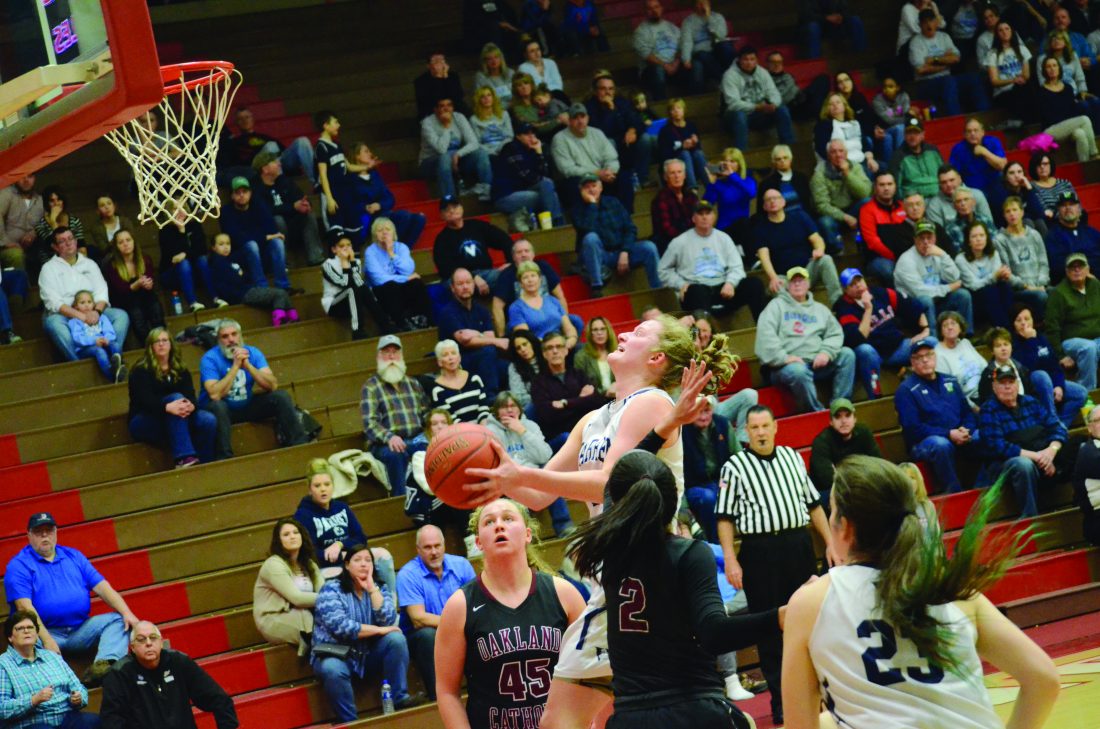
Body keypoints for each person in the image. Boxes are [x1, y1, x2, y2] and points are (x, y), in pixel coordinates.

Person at [463, 315, 737, 729]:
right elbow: (539, 495)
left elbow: (612, 483)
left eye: (638, 334)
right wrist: (495, 480)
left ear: (656, 358)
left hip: (645, 572)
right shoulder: (592, 420)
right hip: (616, 575)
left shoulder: (652, 402)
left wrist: (521, 475)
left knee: (562, 720)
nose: (623, 333)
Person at [781, 456, 1060, 729]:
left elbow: (800, 725)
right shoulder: (953, 589)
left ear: (845, 528)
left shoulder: (811, 602)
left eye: (831, 511)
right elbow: (1043, 678)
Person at [567, 449, 775, 729]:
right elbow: (714, 632)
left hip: (631, 718)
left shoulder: (608, 550)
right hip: (692, 710)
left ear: (616, 502)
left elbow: (615, 484)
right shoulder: (690, 554)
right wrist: (781, 617)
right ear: (674, 499)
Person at [714, 405, 835, 724]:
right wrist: (730, 559)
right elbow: (724, 518)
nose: (761, 432)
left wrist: (831, 542)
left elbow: (814, 505)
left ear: (775, 427)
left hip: (798, 545)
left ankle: (823, 697)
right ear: (746, 432)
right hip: (760, 551)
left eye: (765, 426)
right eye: (754, 427)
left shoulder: (792, 457)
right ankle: (782, 702)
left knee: (812, 620)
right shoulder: (735, 466)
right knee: (770, 629)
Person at [435, 498, 585, 729]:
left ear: (527, 534)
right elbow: (447, 691)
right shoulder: (460, 606)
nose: (499, 525)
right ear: (478, 542)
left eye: (508, 518)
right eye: (489, 522)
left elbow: (593, 671)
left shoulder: (564, 594)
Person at [4, 513, 140, 687]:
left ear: (56, 532)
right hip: (44, 632)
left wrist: (127, 613)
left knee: (118, 620)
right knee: (25, 637)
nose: (45, 535)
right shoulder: (18, 565)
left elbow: (103, 588)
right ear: (29, 535)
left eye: (49, 530)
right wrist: (47, 640)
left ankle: (104, 667)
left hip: (80, 631)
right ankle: (56, 684)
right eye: (38, 532)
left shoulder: (73, 556)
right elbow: (24, 607)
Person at [311, 544, 419, 721]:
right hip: (335, 654)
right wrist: (379, 630)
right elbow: (341, 627)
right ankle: (350, 722)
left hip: (366, 653)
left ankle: (399, 698)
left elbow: (388, 620)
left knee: (396, 639)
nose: (364, 564)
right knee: (332, 669)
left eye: (368, 560)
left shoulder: (379, 588)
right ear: (347, 565)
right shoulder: (331, 589)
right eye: (357, 560)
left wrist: (372, 589)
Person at [198, 319, 308, 459]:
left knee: (280, 396)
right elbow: (215, 395)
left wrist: (248, 366)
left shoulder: (253, 352)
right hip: (221, 410)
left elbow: (272, 385)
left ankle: (300, 444)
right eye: (225, 336)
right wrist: (235, 367)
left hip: (246, 404)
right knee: (218, 406)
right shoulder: (210, 358)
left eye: (234, 334)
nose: (231, 340)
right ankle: (224, 457)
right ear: (219, 340)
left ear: (240, 336)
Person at [99, 620, 239, 729]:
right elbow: (111, 720)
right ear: (132, 648)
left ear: (161, 643)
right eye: (141, 639)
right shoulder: (119, 673)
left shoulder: (179, 662)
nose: (148, 643)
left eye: (153, 638)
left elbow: (219, 699)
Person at [980, 365, 1078, 517]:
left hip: (1043, 455)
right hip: (1007, 463)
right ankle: (1030, 517)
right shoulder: (988, 409)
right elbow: (998, 446)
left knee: (1081, 445)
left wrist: (1051, 452)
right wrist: (1038, 457)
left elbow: (1057, 428)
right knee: (1023, 464)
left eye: (1011, 382)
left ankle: (1079, 502)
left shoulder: (1031, 402)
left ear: (1017, 384)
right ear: (994, 387)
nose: (1007, 387)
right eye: (1002, 383)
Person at [756, 268, 855, 414]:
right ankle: (816, 413)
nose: (797, 284)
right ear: (787, 285)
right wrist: (784, 358)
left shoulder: (820, 309)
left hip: (816, 362)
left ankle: (840, 407)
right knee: (798, 371)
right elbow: (765, 336)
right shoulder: (775, 306)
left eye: (801, 280)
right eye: (793, 281)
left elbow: (835, 334)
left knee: (847, 355)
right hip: (785, 367)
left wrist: (826, 352)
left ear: (808, 284)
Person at [395, 525, 476, 702]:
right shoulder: (407, 575)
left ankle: (483, 690)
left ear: (444, 545)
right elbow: (418, 618)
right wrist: (456, 625)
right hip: (422, 637)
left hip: (458, 629)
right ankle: (438, 698)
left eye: (437, 546)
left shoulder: (462, 565)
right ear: (418, 550)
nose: (434, 552)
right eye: (427, 547)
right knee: (427, 635)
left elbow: (476, 604)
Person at [894, 338, 980, 494]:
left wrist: (966, 429)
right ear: (912, 363)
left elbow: (967, 412)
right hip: (924, 443)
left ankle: (982, 486)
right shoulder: (906, 390)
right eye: (919, 357)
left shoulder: (950, 380)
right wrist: (948, 434)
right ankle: (954, 493)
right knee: (941, 445)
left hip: (957, 433)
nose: (925, 360)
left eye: (928, 355)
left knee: (981, 436)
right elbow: (913, 428)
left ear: (935, 357)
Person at [834, 267, 930, 399]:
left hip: (898, 348)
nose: (858, 286)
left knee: (930, 343)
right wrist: (868, 309)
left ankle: (925, 383)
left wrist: (925, 329)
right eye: (853, 284)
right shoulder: (844, 307)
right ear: (846, 290)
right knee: (865, 350)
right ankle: (876, 398)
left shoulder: (880, 292)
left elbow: (912, 305)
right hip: (873, 355)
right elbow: (858, 338)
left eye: (859, 281)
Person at [659, 199, 765, 320]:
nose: (704, 217)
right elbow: (663, 270)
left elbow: (737, 267)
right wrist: (681, 284)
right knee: (695, 291)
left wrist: (730, 283)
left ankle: (762, 326)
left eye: (708, 213)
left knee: (754, 284)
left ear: (714, 217)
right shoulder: (679, 242)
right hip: (696, 290)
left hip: (724, 290)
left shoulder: (724, 238)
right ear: (693, 218)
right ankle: (704, 329)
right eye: (700, 214)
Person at [39, 227, 130, 365]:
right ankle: (81, 363)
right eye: (62, 241)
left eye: (70, 239)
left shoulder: (89, 264)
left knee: (121, 316)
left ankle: (113, 354)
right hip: (64, 315)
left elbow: (101, 292)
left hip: (92, 311)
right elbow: (54, 302)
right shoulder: (48, 268)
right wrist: (81, 316)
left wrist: (97, 312)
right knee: (53, 323)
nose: (68, 243)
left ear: (76, 241)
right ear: (55, 247)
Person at [127, 327, 216, 468]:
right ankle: (183, 458)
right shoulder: (140, 370)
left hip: (177, 419)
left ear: (171, 344)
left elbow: (191, 395)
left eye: (164, 340)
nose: (161, 344)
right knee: (175, 397)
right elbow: (144, 401)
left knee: (207, 419)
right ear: (151, 346)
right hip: (145, 420)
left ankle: (205, 464)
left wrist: (191, 405)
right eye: (157, 341)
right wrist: (167, 407)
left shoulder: (180, 369)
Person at [0, 609, 98, 729]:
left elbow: (79, 687)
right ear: (10, 637)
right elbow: (2, 709)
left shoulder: (52, 656)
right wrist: (33, 700)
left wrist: (78, 698)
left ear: (37, 634)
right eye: (20, 628)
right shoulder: (3, 664)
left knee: (94, 721)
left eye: (30, 627)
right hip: (32, 722)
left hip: (66, 717)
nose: (26, 631)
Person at [360, 334, 428, 494]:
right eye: (386, 352)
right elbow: (370, 424)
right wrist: (390, 437)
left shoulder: (413, 384)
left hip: (416, 438)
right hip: (385, 444)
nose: (391, 356)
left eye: (395, 352)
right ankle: (401, 499)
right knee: (396, 455)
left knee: (433, 449)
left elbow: (426, 413)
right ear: (378, 356)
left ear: (401, 356)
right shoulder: (371, 387)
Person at [573, 175, 661, 296]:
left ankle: (658, 289)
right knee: (590, 238)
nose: (591, 190)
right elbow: (586, 230)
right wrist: (592, 205)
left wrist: (625, 251)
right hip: (600, 256)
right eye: (587, 187)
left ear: (601, 187)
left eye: (594, 186)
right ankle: (597, 287)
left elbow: (630, 229)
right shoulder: (577, 209)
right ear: (581, 191)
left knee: (649, 247)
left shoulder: (613, 202)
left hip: (621, 250)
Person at [754, 188, 843, 304]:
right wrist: (773, 277)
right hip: (785, 278)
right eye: (768, 199)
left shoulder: (800, 217)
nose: (772, 201)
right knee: (777, 286)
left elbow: (817, 239)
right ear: (764, 206)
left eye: (775, 198)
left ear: (783, 202)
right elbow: (764, 257)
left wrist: (819, 250)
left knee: (826, 259)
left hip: (807, 271)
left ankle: (838, 304)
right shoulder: (761, 229)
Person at [252, 518, 323, 654]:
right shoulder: (273, 564)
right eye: (286, 534)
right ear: (278, 541)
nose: (292, 536)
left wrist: (331, 599)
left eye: (296, 532)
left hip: (303, 613)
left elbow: (323, 591)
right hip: (273, 618)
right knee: (315, 625)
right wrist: (332, 598)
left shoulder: (309, 564)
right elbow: (297, 598)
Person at [1012, 304, 1089, 428]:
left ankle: (1059, 426)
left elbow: (1055, 366)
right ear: (1013, 324)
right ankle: (1051, 420)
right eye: (1019, 320)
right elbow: (1027, 369)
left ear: (1032, 320)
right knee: (1040, 375)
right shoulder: (1013, 344)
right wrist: (1031, 341)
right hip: (1030, 386)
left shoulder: (1041, 338)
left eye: (1027, 319)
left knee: (1081, 393)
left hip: (1050, 383)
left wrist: (1058, 385)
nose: (1024, 323)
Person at [585, 70, 654, 206]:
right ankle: (614, 182)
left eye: (611, 89)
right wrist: (611, 110)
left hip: (626, 142)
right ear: (596, 91)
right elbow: (602, 132)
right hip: (606, 145)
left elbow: (637, 120)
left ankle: (643, 179)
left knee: (646, 139)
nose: (607, 92)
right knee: (610, 143)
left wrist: (633, 130)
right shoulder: (590, 107)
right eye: (603, 89)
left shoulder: (622, 102)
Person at [292, 458, 373, 574]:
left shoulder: (342, 507)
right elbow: (309, 553)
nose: (323, 489)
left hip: (351, 557)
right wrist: (341, 556)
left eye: (327, 484)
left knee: (382, 555)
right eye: (317, 486)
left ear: (333, 486)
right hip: (325, 566)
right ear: (310, 489)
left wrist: (340, 544)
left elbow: (361, 538)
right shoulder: (302, 516)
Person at [438, 268, 508, 395]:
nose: (465, 287)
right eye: (460, 284)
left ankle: (509, 398)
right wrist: (489, 339)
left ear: (474, 285)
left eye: (468, 282)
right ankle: (490, 397)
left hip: (484, 357)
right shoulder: (448, 312)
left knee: (506, 364)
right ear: (453, 288)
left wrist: (475, 334)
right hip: (459, 360)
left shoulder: (481, 310)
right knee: (488, 352)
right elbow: (465, 340)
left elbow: (490, 337)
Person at [343, 143, 427, 247]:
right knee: (403, 216)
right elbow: (350, 204)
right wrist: (366, 207)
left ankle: (401, 250)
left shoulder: (374, 175)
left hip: (384, 212)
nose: (370, 154)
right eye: (366, 151)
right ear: (357, 156)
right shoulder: (351, 180)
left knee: (419, 219)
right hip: (368, 218)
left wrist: (380, 205)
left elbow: (390, 198)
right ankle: (394, 251)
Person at [909, 8, 989, 117]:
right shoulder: (916, 42)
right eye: (924, 22)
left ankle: (985, 115)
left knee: (974, 78)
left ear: (936, 22)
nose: (928, 25)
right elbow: (921, 69)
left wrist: (934, 60)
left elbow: (956, 58)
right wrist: (945, 64)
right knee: (949, 82)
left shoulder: (944, 37)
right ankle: (956, 119)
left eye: (931, 21)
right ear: (920, 25)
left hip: (946, 78)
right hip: (926, 83)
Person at [894, 221, 974, 330]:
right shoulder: (906, 261)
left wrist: (944, 255)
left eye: (929, 237)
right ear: (915, 240)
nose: (926, 242)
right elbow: (920, 292)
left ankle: (965, 334)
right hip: (914, 309)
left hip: (936, 301)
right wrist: (948, 288)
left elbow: (954, 277)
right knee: (925, 300)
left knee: (963, 295)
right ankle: (933, 337)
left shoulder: (936, 253)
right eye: (922, 238)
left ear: (935, 238)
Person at [490, 238, 577, 337]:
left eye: (527, 251)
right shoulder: (506, 275)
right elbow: (497, 307)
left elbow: (560, 296)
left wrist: (565, 323)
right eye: (519, 252)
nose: (523, 254)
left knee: (576, 321)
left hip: (548, 312)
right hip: (522, 319)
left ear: (533, 254)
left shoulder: (544, 266)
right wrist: (502, 337)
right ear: (513, 257)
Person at [219, 176, 292, 293]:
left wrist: (262, 236)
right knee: (251, 245)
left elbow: (272, 229)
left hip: (262, 253)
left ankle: (283, 285)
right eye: (237, 193)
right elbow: (237, 238)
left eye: (244, 191)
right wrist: (264, 237)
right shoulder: (226, 212)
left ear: (250, 193)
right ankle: (262, 288)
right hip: (241, 256)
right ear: (232, 196)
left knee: (277, 242)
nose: (241, 195)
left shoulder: (259, 205)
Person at [251, 151, 324, 266]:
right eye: (274, 162)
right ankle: (283, 260)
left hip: (292, 225)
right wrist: (293, 207)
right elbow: (266, 211)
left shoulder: (284, 181)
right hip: (271, 231)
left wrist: (305, 205)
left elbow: (301, 198)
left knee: (309, 215)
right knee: (278, 219)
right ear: (265, 169)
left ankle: (315, 256)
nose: (279, 164)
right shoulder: (256, 188)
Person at [681, 395, 738, 543]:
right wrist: (683, 509)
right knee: (709, 497)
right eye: (698, 411)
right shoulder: (680, 432)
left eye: (706, 411)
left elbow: (738, 459)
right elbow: (676, 475)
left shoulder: (723, 424)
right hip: (694, 486)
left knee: (727, 490)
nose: (703, 416)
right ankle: (715, 544)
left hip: (721, 481)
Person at [551, 103, 627, 210]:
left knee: (624, 178)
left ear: (587, 118)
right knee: (573, 184)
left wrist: (610, 171)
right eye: (575, 118)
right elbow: (567, 170)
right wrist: (596, 173)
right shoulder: (559, 139)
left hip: (603, 175)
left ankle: (625, 214)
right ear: (570, 121)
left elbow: (611, 158)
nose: (580, 121)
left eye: (582, 117)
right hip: (580, 179)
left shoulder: (597, 133)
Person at [359, 221, 431, 333]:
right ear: (375, 235)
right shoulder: (371, 252)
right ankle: (401, 324)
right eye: (380, 230)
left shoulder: (401, 247)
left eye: (388, 229)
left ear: (394, 233)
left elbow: (408, 270)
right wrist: (404, 279)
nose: (384, 233)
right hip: (383, 291)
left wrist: (391, 253)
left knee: (417, 283)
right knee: (390, 286)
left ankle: (422, 320)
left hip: (401, 289)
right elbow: (379, 279)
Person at [323, 230, 396, 339]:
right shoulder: (328, 265)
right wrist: (344, 262)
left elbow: (359, 283)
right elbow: (345, 284)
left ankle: (385, 325)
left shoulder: (356, 262)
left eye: (348, 245)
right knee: (351, 290)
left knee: (363, 288)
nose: (346, 248)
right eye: (341, 246)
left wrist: (352, 261)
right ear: (334, 249)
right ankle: (357, 330)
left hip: (354, 300)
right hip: (334, 304)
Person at [720, 46, 793, 154]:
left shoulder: (762, 72)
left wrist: (773, 104)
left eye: (752, 59)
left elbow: (774, 92)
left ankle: (789, 149)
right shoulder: (729, 76)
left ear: (757, 60)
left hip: (758, 114)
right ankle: (742, 154)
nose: (749, 63)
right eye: (745, 59)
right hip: (735, 117)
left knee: (782, 109)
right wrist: (756, 107)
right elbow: (733, 104)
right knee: (739, 116)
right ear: (739, 60)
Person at [491, 122, 564, 227]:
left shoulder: (532, 149)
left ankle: (555, 226)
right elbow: (526, 176)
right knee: (548, 193)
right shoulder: (511, 148)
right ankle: (556, 225)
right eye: (527, 134)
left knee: (548, 189)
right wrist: (542, 177)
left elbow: (545, 174)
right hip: (505, 196)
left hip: (523, 190)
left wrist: (539, 152)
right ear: (518, 136)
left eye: (533, 133)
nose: (531, 137)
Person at [419, 98, 492, 202]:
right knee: (444, 158)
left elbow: (474, 143)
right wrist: (446, 126)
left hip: (455, 159)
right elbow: (441, 149)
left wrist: (458, 154)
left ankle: (486, 191)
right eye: (442, 106)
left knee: (481, 153)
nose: (446, 109)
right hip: (430, 163)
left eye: (449, 105)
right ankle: (450, 200)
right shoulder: (427, 123)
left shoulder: (459, 117)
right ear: (435, 109)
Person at [809, 398, 882, 501]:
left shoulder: (864, 433)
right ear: (831, 422)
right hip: (830, 493)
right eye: (838, 417)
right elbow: (827, 481)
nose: (843, 421)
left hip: (862, 487)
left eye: (847, 416)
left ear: (855, 419)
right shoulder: (821, 442)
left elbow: (879, 465)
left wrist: (840, 474)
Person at [100, 229, 164, 344]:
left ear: (134, 241)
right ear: (116, 247)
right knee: (136, 313)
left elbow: (150, 279)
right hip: (124, 300)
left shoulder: (145, 259)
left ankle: (162, 340)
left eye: (128, 240)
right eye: (121, 242)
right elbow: (119, 291)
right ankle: (148, 345)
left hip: (145, 295)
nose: (125, 244)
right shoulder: (112, 265)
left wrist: (149, 284)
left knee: (155, 307)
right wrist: (135, 285)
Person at [1047, 253, 1100, 390]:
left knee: (1093, 346)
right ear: (1066, 272)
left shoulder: (1095, 285)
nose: (1077, 270)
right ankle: (1087, 391)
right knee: (1089, 348)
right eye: (1072, 267)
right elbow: (1052, 328)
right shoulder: (1058, 293)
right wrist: (1060, 355)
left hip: (1097, 339)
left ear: (1088, 269)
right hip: (1071, 342)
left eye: (1080, 266)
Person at [433, 197, 514, 286]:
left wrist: (510, 262)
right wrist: (472, 277)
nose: (452, 211)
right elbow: (445, 269)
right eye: (447, 209)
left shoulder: (477, 225)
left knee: (511, 273)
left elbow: (505, 240)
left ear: (461, 208)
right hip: (461, 279)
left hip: (487, 273)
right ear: (442, 215)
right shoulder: (442, 239)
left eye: (455, 207)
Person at [811, 138, 873, 255]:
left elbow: (865, 192)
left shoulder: (855, 167)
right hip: (833, 214)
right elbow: (821, 206)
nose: (838, 155)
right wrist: (845, 217)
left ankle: (865, 243)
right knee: (825, 222)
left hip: (853, 208)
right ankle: (837, 251)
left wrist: (847, 174)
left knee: (868, 202)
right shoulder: (819, 175)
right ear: (828, 155)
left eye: (841, 151)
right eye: (833, 152)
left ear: (846, 153)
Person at [1038, 56, 1100, 163]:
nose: (1052, 69)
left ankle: (1084, 165)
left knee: (1080, 134)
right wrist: (1069, 123)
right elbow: (1047, 117)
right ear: (1044, 70)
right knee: (1084, 119)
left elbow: (1072, 112)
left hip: (1069, 126)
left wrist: (1070, 124)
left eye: (1054, 65)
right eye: (1048, 66)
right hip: (1051, 130)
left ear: (1059, 68)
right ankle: (1094, 154)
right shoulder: (1041, 92)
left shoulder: (1068, 88)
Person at [994, 197, 1050, 315]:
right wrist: (1027, 287)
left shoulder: (1034, 235)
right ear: (1004, 216)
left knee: (1059, 293)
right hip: (1019, 290)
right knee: (1041, 296)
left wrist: (1041, 283)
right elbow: (1006, 273)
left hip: (1039, 285)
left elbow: (1043, 263)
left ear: (1022, 212)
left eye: (1015, 210)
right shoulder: (1000, 240)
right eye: (1008, 211)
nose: (1012, 214)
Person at [956, 220, 1014, 328]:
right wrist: (994, 276)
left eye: (982, 235)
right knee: (989, 291)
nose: (978, 239)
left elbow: (997, 277)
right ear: (968, 241)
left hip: (993, 294)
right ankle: (1004, 327)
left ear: (987, 238)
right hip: (975, 299)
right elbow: (973, 285)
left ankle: (1010, 324)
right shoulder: (961, 259)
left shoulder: (994, 254)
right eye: (974, 236)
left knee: (1005, 286)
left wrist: (1004, 275)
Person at [507, 261, 578, 342]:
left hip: (561, 344)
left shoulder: (553, 300)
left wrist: (571, 340)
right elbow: (525, 338)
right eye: (525, 277)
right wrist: (551, 344)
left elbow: (569, 328)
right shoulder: (516, 307)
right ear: (520, 284)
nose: (530, 280)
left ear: (540, 279)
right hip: (539, 345)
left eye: (533, 276)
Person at [159, 201, 211, 311]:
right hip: (172, 273)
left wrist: (186, 254)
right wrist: (181, 231)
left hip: (194, 268)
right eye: (175, 208)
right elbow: (173, 258)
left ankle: (216, 298)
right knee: (184, 263)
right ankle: (192, 303)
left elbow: (202, 249)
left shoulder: (195, 225)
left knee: (202, 260)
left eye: (183, 207)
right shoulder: (164, 231)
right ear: (169, 212)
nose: (180, 210)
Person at [858, 171, 908, 283]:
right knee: (887, 269)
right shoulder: (866, 210)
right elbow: (873, 242)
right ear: (875, 188)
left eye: (890, 184)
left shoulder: (903, 206)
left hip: (905, 256)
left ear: (895, 186)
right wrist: (896, 257)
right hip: (878, 259)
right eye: (882, 185)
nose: (886, 188)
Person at [702, 146, 756, 249]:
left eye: (732, 161)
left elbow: (751, 193)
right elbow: (706, 204)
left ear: (739, 164)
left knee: (747, 222)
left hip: (742, 226)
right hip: (724, 228)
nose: (728, 164)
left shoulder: (747, 181)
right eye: (725, 161)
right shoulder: (719, 184)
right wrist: (712, 183)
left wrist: (732, 175)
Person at [426, 338, 492, 423]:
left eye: (453, 353)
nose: (450, 358)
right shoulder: (436, 390)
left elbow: (484, 408)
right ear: (440, 362)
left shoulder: (475, 379)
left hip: (483, 425)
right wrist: (472, 429)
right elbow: (449, 419)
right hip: (458, 429)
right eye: (445, 355)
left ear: (459, 357)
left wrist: (482, 425)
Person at [813, 93, 877, 178]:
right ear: (827, 109)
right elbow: (821, 148)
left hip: (861, 159)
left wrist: (870, 159)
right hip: (842, 164)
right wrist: (840, 163)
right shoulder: (824, 125)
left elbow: (865, 144)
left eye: (838, 102)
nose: (835, 105)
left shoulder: (854, 123)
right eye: (831, 104)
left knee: (882, 167)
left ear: (844, 105)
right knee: (866, 173)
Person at [67, 290, 125, 383]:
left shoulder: (102, 318)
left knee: (116, 345)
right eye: (82, 302)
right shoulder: (74, 321)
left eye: (89, 302)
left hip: (103, 343)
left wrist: (107, 339)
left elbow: (110, 331)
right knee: (100, 351)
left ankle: (118, 366)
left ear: (94, 304)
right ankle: (113, 377)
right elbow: (78, 339)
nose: (86, 305)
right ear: (76, 306)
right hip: (85, 349)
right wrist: (94, 341)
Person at [934, 310, 988, 408]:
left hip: (985, 393)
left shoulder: (965, 343)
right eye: (945, 325)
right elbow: (950, 390)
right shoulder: (938, 354)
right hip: (966, 403)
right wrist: (973, 406)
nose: (950, 327)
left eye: (953, 323)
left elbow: (985, 367)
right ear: (940, 331)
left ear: (960, 327)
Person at [985, 22, 1034, 128]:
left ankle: (1020, 122)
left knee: (1026, 88)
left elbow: (1026, 75)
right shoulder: (992, 54)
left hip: (1021, 87)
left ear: (1012, 31)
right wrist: (1013, 80)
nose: (1004, 32)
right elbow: (994, 81)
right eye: (1000, 30)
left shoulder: (1022, 49)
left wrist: (1018, 81)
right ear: (997, 34)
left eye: (1007, 29)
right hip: (1003, 92)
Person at [633, 0, 682, 101]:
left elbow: (682, 46)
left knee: (695, 64)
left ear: (661, 8)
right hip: (652, 71)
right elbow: (646, 55)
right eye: (650, 8)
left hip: (674, 67)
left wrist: (676, 63)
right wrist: (666, 66)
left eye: (656, 7)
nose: (654, 11)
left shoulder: (671, 27)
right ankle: (661, 103)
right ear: (645, 11)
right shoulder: (641, 31)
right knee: (658, 70)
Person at [33, 187, 87, 277]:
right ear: (46, 203)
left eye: (59, 199)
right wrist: (53, 222)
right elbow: (55, 248)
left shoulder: (74, 220)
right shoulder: (41, 224)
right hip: (52, 263)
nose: (56, 203)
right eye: (52, 201)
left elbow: (81, 247)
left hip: (75, 261)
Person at [1046, 190, 1100, 280]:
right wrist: (1085, 274)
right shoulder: (1053, 237)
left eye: (1071, 204)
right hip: (1073, 282)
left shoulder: (1092, 232)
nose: (1068, 208)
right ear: (1058, 211)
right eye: (1063, 205)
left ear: (1079, 209)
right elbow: (1057, 266)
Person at [888, 115, 944, 198]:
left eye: (916, 133)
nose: (912, 136)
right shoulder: (898, 156)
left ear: (923, 135)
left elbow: (945, 174)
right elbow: (896, 186)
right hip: (914, 200)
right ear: (904, 135)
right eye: (909, 133)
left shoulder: (933, 151)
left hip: (940, 197)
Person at [650, 158, 699, 254]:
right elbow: (667, 230)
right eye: (672, 173)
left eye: (679, 172)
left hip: (693, 240)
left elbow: (698, 220)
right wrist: (689, 240)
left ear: (684, 175)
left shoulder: (691, 196)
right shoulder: (660, 199)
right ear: (665, 177)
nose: (677, 176)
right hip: (670, 244)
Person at [949, 118, 1008, 196]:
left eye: (976, 130)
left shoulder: (993, 142)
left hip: (995, 187)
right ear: (964, 134)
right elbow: (954, 174)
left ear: (982, 132)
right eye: (969, 131)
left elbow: (1002, 166)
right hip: (971, 192)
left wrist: (985, 152)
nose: (972, 134)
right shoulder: (958, 149)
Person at [925, 164, 993, 230]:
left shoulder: (977, 195)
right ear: (939, 184)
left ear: (960, 179)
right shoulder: (934, 205)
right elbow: (938, 234)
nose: (948, 184)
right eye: (944, 182)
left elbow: (990, 224)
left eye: (952, 180)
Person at [757, 144, 814, 217]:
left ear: (791, 159)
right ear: (774, 162)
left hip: (804, 217)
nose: (782, 161)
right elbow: (761, 210)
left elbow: (808, 202)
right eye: (778, 159)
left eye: (785, 158)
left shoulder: (801, 178)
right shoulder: (767, 184)